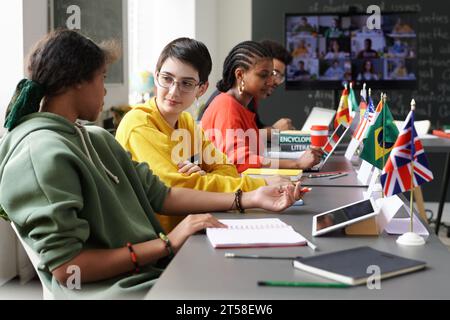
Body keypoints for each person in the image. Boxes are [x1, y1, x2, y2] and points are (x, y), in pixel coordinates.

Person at [0, 30, 303, 299]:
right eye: (103, 77)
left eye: (186, 83)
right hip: (120, 288)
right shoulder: (40, 154)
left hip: (152, 268)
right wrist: (168, 243)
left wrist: (249, 197)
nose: (105, 91)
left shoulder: (94, 138)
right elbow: (69, 269)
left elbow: (162, 194)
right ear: (78, 81)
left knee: (250, 283)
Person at [116, 38, 290, 232]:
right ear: (156, 76)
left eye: (187, 83)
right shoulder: (139, 123)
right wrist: (256, 185)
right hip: (158, 240)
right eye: (167, 79)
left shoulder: (186, 122)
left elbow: (227, 168)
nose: (174, 91)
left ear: (202, 89)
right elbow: (174, 188)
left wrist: (203, 175)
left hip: (191, 227)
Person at [201, 40, 323, 173]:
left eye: (272, 75)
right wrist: (297, 163)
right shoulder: (227, 107)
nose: (271, 82)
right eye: (263, 75)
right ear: (240, 75)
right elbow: (238, 162)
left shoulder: (241, 106)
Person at [199, 40, 296, 136]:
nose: (274, 81)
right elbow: (239, 141)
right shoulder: (227, 106)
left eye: (279, 76)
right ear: (240, 74)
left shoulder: (247, 99)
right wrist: (273, 131)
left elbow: (251, 131)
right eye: (265, 74)